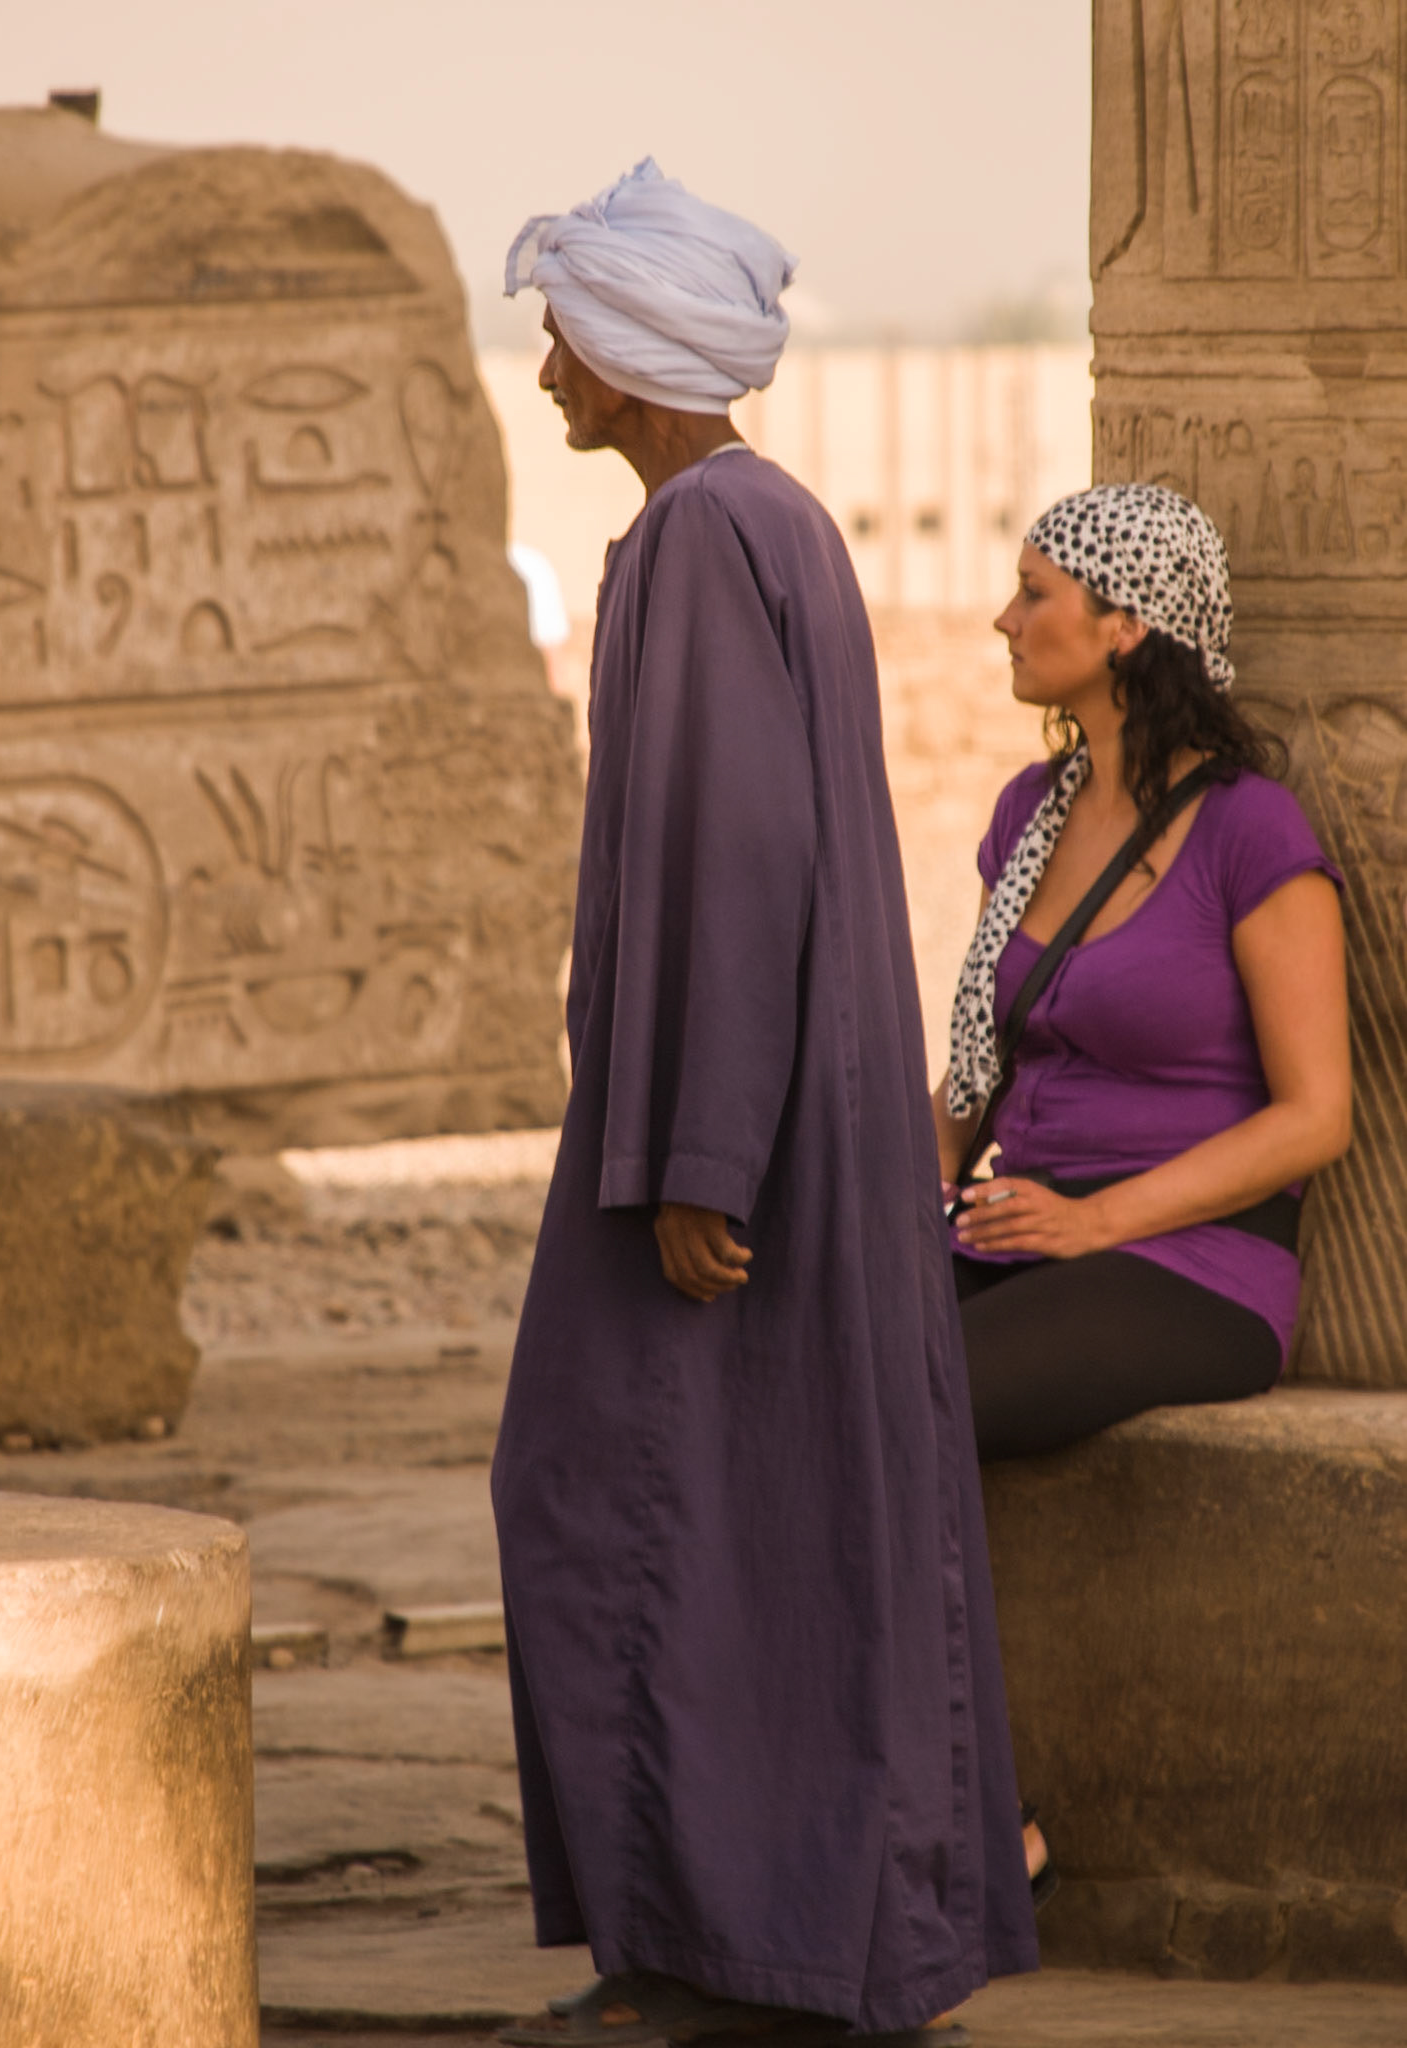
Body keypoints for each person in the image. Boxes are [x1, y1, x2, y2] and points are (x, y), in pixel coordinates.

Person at [490, 159, 1037, 2048]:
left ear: (634, 356)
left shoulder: (715, 537)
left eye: (564, 330)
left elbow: (738, 865)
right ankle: (745, 1933)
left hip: (734, 1138)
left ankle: (740, 1950)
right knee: (755, 1525)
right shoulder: (737, 524)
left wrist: (701, 1156)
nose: (544, 362)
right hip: (752, 1116)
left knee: (626, 1503)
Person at [934, 483, 1352, 1464]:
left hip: (1190, 1263)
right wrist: (911, 1186)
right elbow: (974, 1060)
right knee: (793, 1344)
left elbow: (1314, 1114)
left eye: (1032, 594)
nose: (1005, 618)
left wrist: (1092, 1220)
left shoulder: (1249, 830)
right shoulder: (1025, 812)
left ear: (1123, 625)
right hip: (1018, 1229)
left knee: (914, 1388)